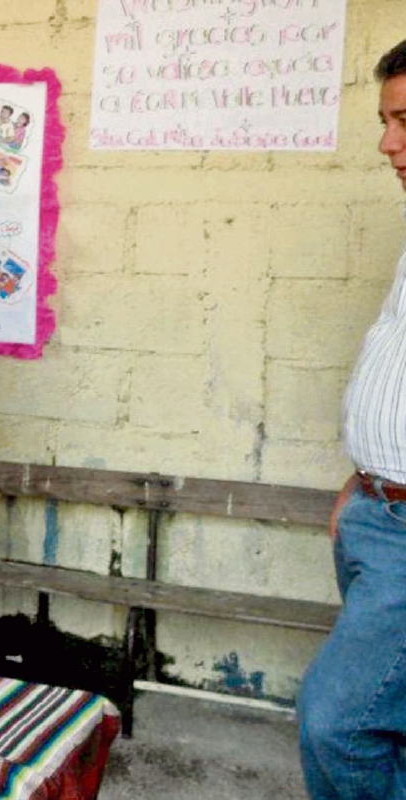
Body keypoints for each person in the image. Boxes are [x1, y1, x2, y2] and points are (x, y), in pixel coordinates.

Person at [298, 38, 406, 800]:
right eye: (384, 120)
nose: (386, 143)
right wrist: (362, 480)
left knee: (336, 722)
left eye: (405, 120)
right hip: (376, 512)